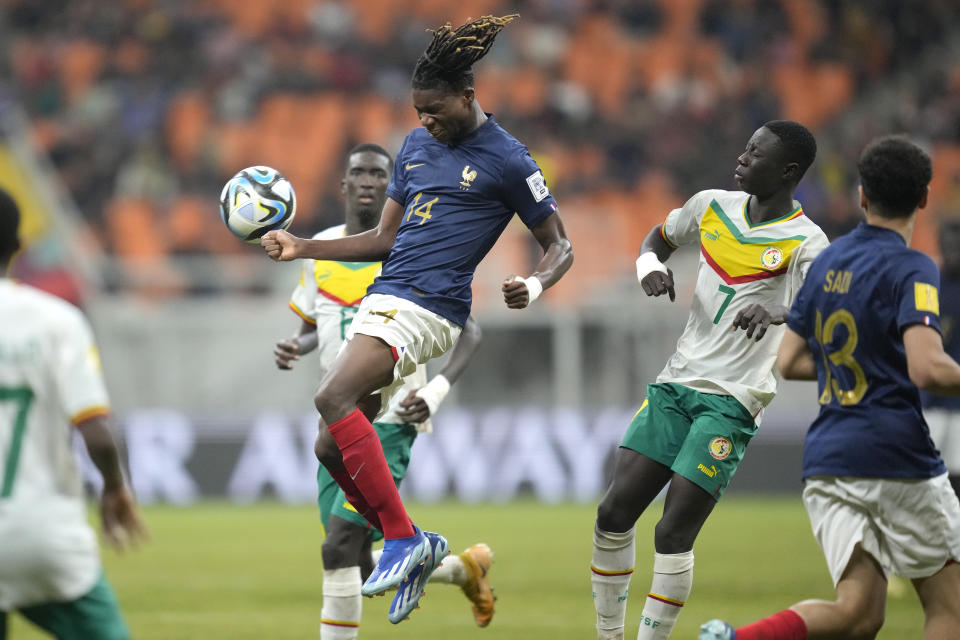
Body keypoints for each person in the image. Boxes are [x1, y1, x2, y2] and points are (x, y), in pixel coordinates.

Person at [262, 13, 573, 623]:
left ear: (468, 95)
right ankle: (422, 547)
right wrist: (302, 247)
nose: (426, 121)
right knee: (330, 444)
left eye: (435, 110)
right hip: (390, 293)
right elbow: (383, 240)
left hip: (431, 306)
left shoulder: (509, 159)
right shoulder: (416, 146)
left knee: (331, 398)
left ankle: (404, 538)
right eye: (418, 112)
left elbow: (559, 244)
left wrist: (534, 284)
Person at [700, 136, 960, 640]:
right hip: (896, 454)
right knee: (949, 609)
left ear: (862, 195)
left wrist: (858, 366)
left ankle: (736, 639)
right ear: (924, 199)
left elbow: (791, 361)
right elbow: (928, 369)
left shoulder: (828, 262)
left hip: (828, 460)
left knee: (859, 613)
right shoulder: (914, 267)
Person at [590, 121, 828, 640]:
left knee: (672, 531)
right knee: (613, 511)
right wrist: (648, 264)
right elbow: (660, 235)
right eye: (744, 148)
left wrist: (780, 311)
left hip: (733, 400)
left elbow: (825, 305)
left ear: (787, 171)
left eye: (755, 153)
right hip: (676, 383)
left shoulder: (807, 241)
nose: (741, 158)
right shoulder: (710, 205)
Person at [274, 143, 495, 635]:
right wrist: (297, 343)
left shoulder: (410, 249)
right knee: (353, 561)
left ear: (393, 185)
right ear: (345, 185)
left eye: (380, 173)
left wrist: (435, 391)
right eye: (361, 173)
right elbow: (320, 322)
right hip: (339, 420)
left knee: (336, 547)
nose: (370, 181)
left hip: (390, 417)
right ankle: (462, 571)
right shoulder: (323, 249)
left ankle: (425, 551)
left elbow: (470, 330)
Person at [0, 187, 148, 639]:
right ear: (19, 248)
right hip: (38, 533)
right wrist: (115, 488)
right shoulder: (54, 321)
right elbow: (96, 432)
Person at [923, 218, 960, 501]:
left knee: (955, 478)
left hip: (957, 403)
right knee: (928, 478)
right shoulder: (929, 284)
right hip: (931, 399)